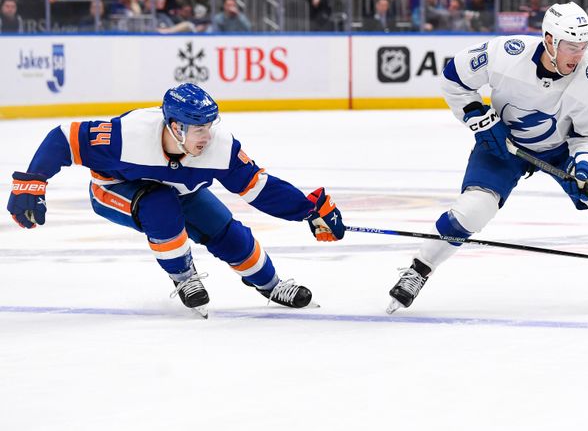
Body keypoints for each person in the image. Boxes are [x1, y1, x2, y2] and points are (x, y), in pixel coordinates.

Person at [386, 2, 588, 313]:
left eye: (585, 45)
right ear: (549, 41)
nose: (579, 54)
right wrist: (476, 116)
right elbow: (454, 76)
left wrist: (584, 162)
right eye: (571, 46)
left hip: (562, 148)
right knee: (473, 210)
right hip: (502, 142)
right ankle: (419, 269)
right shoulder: (506, 53)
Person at [7, 84, 345, 318]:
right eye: (198, 128)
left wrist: (309, 211)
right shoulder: (128, 135)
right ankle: (184, 276)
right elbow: (63, 138)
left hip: (179, 190)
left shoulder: (219, 148)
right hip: (114, 189)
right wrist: (31, 183)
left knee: (228, 233)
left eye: (210, 125)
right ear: (174, 126)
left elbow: (259, 188)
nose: (207, 135)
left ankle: (271, 286)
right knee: (160, 205)